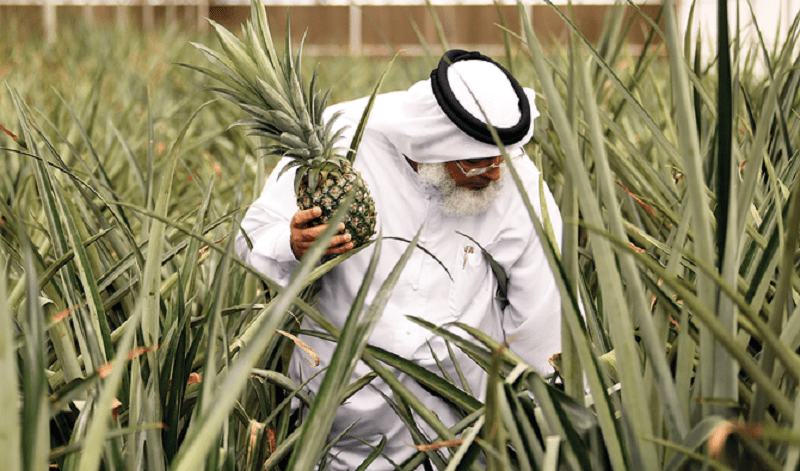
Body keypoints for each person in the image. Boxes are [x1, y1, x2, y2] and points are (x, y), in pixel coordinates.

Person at [236, 49, 563, 470]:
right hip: (338, 425)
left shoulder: (511, 175)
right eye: (478, 162)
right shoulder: (339, 144)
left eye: (502, 158)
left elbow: (544, 303)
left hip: (458, 431)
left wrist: (544, 422)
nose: (496, 173)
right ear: (433, 144)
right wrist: (292, 243)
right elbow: (252, 235)